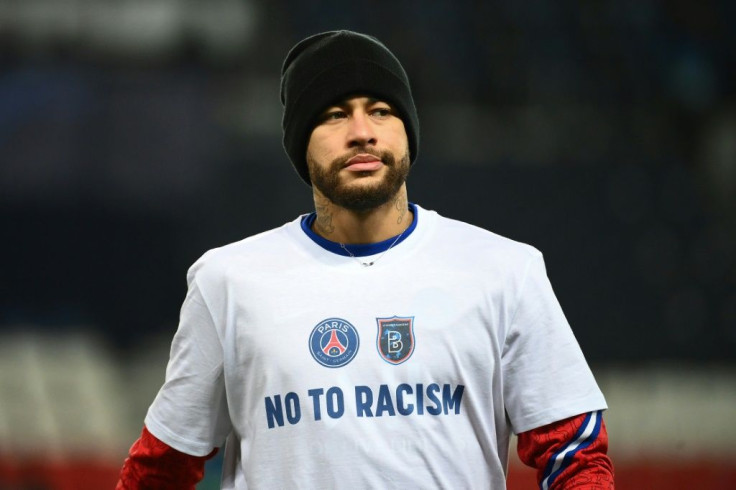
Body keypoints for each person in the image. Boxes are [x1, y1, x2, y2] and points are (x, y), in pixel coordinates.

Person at [117, 30, 614, 489]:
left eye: (380, 110)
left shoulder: (506, 271)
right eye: (334, 114)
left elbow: (575, 456)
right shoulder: (227, 281)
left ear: (407, 131)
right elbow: (161, 467)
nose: (361, 131)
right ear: (300, 143)